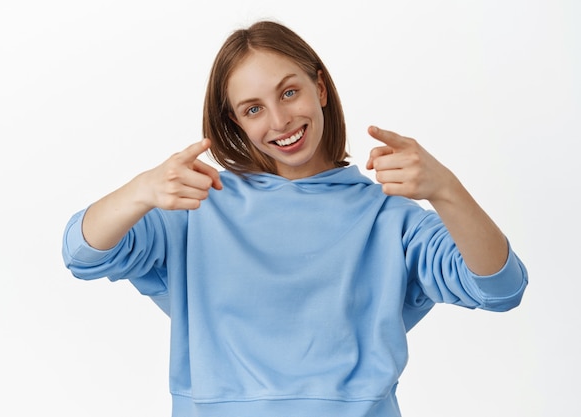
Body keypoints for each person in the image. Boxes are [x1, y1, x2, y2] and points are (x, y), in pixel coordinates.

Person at [62, 20, 528, 417]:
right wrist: (141, 190)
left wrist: (446, 190)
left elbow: (501, 288)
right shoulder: (198, 207)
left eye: (289, 92)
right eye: (253, 109)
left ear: (319, 88)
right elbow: (81, 252)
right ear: (235, 122)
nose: (280, 120)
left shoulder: (389, 219)